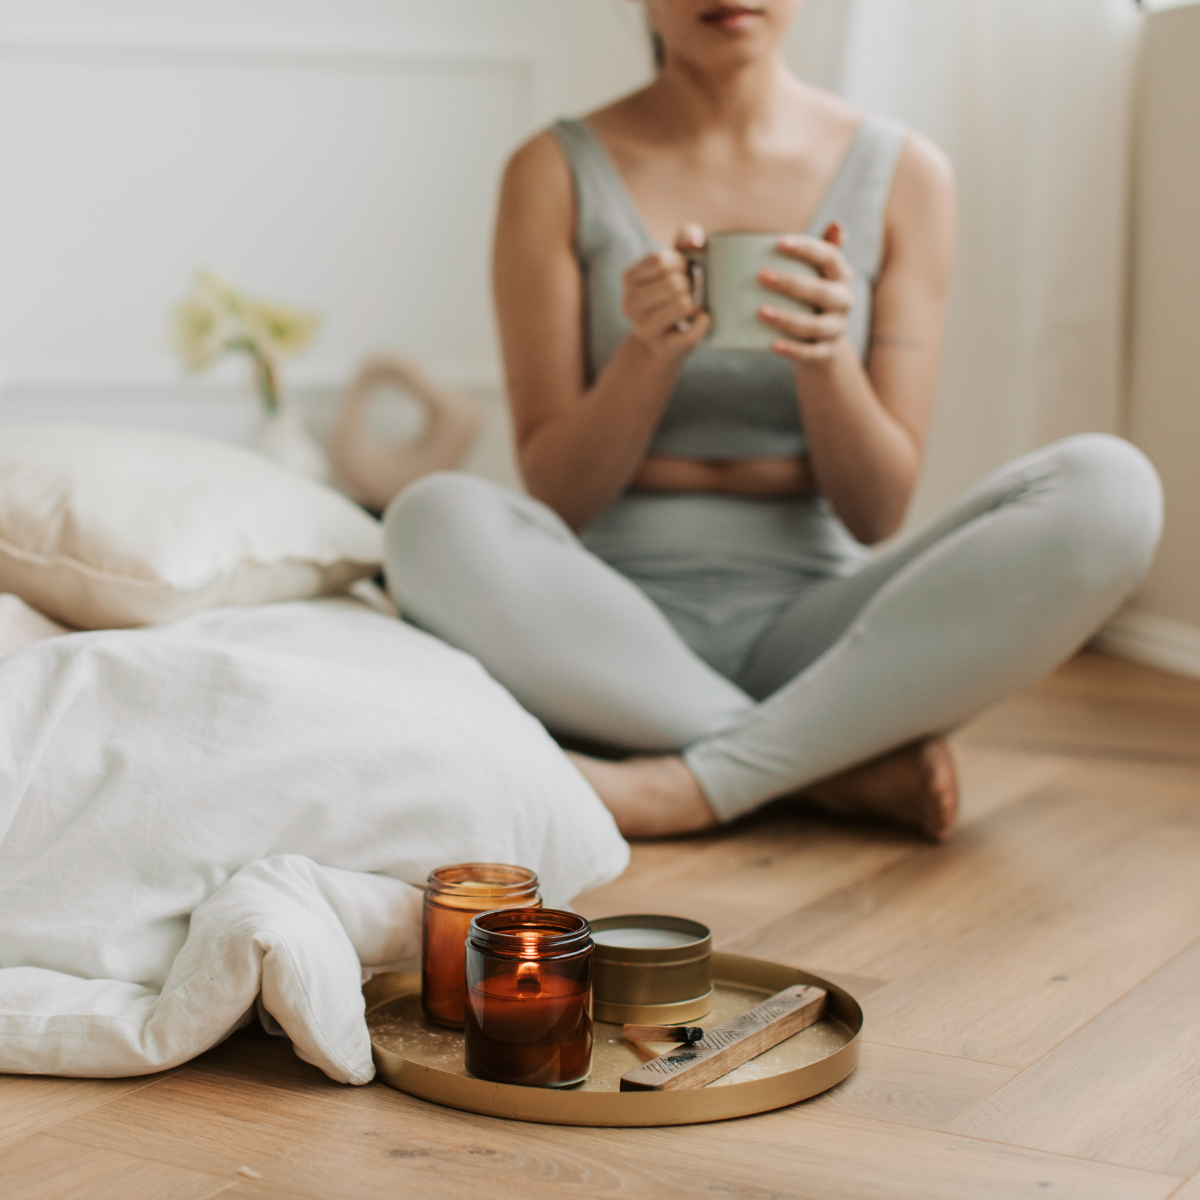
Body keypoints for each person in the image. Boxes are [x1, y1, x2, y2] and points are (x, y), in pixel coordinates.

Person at [384, 0, 1161, 842]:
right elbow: (560, 496)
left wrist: (827, 360)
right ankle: (827, 764)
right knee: (429, 518)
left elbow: (877, 511)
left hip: (824, 633)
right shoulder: (549, 169)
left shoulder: (905, 173)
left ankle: (696, 780)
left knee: (1111, 488)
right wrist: (646, 356)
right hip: (609, 631)